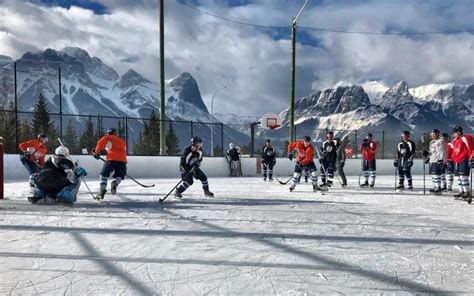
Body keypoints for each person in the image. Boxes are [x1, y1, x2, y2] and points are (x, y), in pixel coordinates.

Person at [92, 127, 127, 201]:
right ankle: (115, 182)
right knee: (120, 176)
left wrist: (96, 152)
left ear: (108, 133)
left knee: (103, 176)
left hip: (111, 159)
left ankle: (102, 192)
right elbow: (113, 148)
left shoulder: (108, 137)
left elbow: (100, 143)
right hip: (122, 161)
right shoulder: (121, 141)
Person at [450, 126, 473, 201]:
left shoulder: (466, 138)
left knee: (463, 176)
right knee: (458, 177)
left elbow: (471, 149)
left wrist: (471, 158)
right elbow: (454, 151)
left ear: (459, 132)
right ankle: (461, 191)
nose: (454, 134)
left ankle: (467, 191)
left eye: (455, 133)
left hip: (464, 159)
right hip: (456, 161)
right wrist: (451, 160)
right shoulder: (454, 140)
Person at [423, 129, 446, 195]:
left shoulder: (441, 141)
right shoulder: (432, 142)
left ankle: (438, 187)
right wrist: (427, 154)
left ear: (438, 134)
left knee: (436, 174)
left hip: (437, 160)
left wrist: (441, 160)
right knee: (433, 175)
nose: (433, 135)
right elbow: (432, 152)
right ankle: (435, 186)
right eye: (432, 134)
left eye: (434, 134)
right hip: (432, 160)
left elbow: (441, 151)